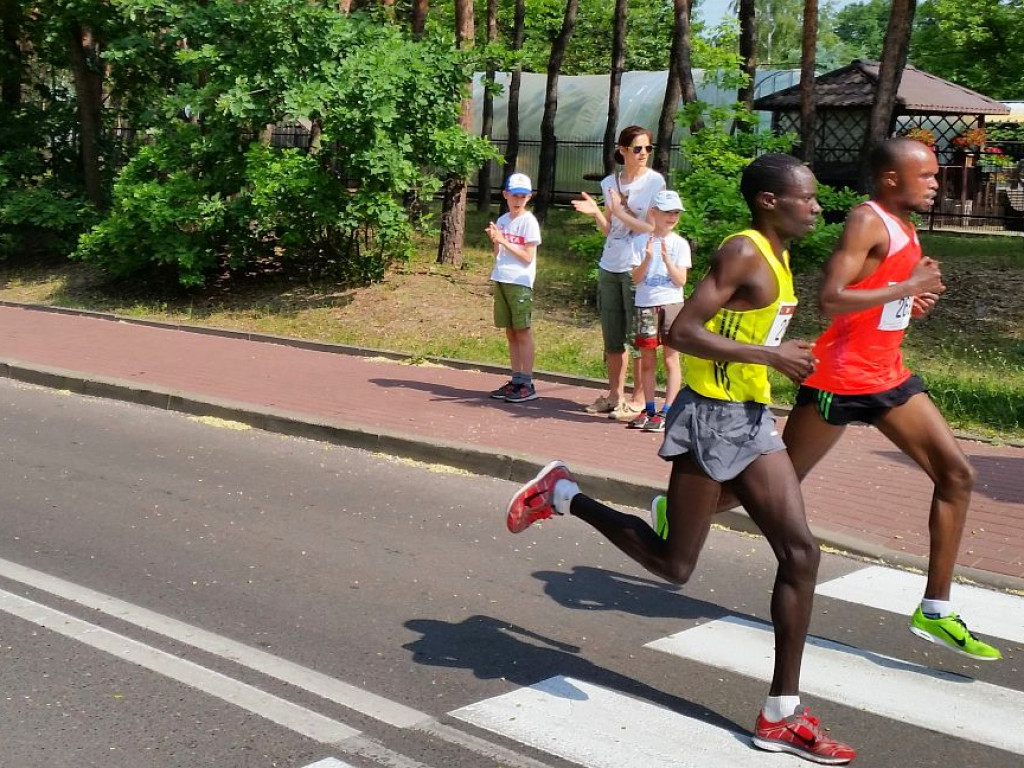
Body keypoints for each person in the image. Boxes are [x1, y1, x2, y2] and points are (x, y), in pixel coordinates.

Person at [507, 153, 856, 765]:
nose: (817, 207)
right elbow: (683, 332)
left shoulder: (781, 256)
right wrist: (772, 361)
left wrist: (790, 354)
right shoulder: (743, 251)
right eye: (807, 198)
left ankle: (781, 713)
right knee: (675, 567)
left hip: (751, 419)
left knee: (801, 553)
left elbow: (760, 335)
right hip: (711, 419)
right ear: (771, 201)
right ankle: (564, 494)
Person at [652, 138, 1002, 662]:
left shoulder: (904, 227)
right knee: (768, 487)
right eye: (926, 174)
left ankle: (935, 609)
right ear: (890, 178)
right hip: (839, 380)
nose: (937, 182)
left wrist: (909, 299)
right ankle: (681, 509)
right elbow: (831, 298)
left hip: (885, 376)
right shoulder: (866, 220)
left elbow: (875, 300)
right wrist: (906, 286)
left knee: (957, 474)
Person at [573, 126, 666, 422]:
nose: (643, 155)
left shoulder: (655, 182)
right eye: (637, 149)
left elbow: (652, 227)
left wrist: (621, 210)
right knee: (612, 336)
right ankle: (615, 395)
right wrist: (598, 213)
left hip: (636, 266)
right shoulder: (609, 182)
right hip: (610, 264)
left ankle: (639, 400)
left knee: (638, 336)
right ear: (622, 150)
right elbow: (611, 229)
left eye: (647, 149)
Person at [626, 189, 690, 433]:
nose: (672, 217)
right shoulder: (639, 242)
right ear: (654, 213)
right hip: (646, 304)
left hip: (672, 305)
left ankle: (668, 409)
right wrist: (648, 258)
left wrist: (666, 260)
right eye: (667, 212)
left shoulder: (680, 244)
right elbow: (636, 278)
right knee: (647, 360)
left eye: (676, 213)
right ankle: (650, 408)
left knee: (671, 358)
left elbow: (681, 280)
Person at [487, 173, 543, 404]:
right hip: (502, 277)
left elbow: (527, 257)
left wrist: (503, 241)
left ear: (529, 197)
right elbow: (497, 254)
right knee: (510, 331)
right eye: (514, 195)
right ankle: (516, 378)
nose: (518, 200)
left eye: (522, 196)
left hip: (520, 282)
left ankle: (527, 382)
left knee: (523, 331)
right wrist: (495, 240)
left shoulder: (528, 222)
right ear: (505, 195)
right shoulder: (502, 220)